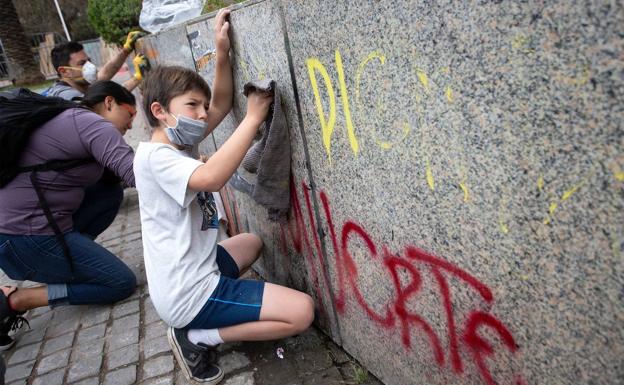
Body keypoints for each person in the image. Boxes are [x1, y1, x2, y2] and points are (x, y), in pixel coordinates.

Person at [134, 9, 314, 384]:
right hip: (191, 293)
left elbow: (219, 103)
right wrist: (252, 118)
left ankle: (204, 319)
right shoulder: (155, 157)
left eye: (200, 107)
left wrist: (221, 51)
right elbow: (213, 177)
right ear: (160, 112)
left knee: (250, 243)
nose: (202, 116)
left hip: (191, 272)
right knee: (301, 313)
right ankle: (199, 336)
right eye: (191, 107)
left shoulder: (175, 141)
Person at [0, 80, 138, 351]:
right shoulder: (93, 125)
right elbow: (138, 175)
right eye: (130, 114)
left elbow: (120, 176)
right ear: (109, 102)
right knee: (120, 282)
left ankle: (72, 262)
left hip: (12, 237)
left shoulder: (68, 113)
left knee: (107, 192)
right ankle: (16, 300)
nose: (131, 124)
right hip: (25, 240)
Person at [47, 31, 147, 101]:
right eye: (82, 63)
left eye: (89, 61)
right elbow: (107, 104)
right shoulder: (66, 97)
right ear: (64, 71)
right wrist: (137, 78)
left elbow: (104, 75)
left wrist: (126, 50)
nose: (89, 66)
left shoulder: (79, 82)